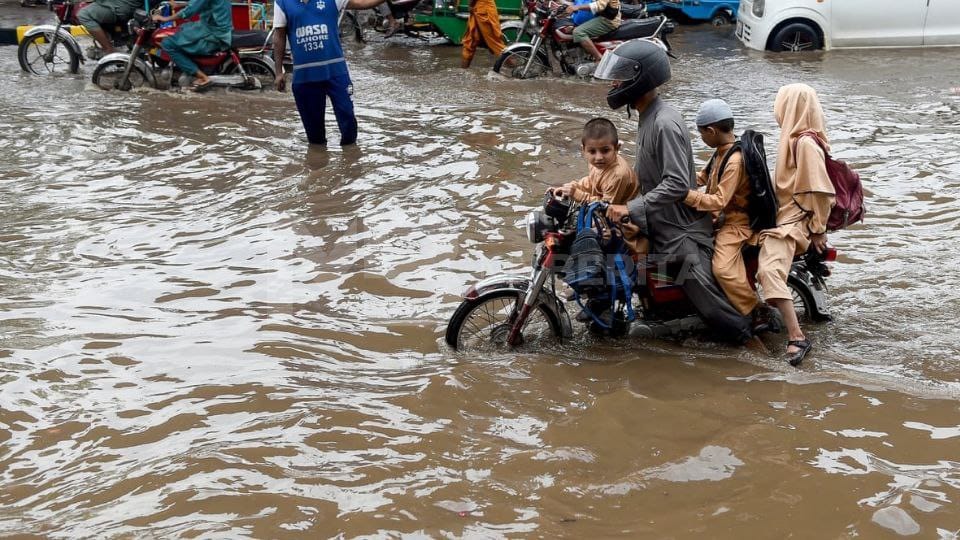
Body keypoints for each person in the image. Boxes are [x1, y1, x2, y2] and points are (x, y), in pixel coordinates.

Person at [594, 39, 753, 344]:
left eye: (620, 78)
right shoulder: (648, 117)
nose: (614, 84)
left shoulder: (664, 122)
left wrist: (631, 208)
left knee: (713, 309)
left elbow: (677, 184)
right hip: (661, 222)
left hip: (681, 233)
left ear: (641, 79)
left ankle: (749, 341)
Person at [756, 83, 835, 365]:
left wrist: (818, 230)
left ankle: (797, 336)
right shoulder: (793, 140)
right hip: (785, 215)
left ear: (791, 108)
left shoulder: (805, 144)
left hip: (794, 223)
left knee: (769, 271)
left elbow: (821, 193)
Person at [272, 0, 389, 146]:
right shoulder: (282, 2)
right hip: (305, 77)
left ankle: (350, 157)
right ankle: (319, 160)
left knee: (348, 121)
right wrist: (279, 72)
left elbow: (362, 3)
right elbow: (279, 36)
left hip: (336, 73)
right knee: (315, 137)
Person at [682, 99, 759, 318]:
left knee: (722, 269)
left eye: (702, 134)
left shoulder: (735, 160)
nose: (702, 138)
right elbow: (702, 177)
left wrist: (685, 195)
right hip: (720, 219)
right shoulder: (721, 152)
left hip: (736, 224)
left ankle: (755, 310)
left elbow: (718, 201)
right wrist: (676, 181)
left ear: (711, 131)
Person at [553, 117, 646, 256]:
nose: (599, 157)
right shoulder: (597, 163)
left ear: (617, 148)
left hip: (622, 222)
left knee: (585, 241)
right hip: (603, 209)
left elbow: (606, 207)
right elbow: (591, 182)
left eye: (605, 151)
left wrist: (578, 194)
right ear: (584, 150)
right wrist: (570, 187)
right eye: (592, 152)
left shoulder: (618, 175)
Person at [151, 0, 233, 92]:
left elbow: (189, 11)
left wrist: (165, 18)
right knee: (181, 29)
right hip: (213, 29)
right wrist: (179, 4)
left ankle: (203, 78)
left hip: (213, 33)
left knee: (168, 43)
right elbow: (198, 3)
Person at [460, 0, 504, 68]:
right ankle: (463, 71)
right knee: (470, 42)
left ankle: (516, 67)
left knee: (496, 44)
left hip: (484, 11)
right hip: (480, 9)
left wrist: (470, 5)